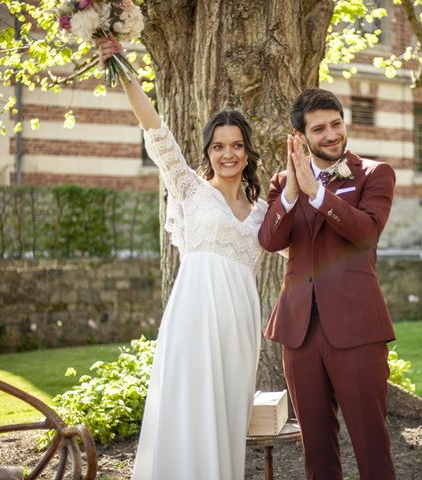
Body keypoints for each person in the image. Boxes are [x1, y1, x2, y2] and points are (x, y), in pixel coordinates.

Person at [97, 36, 268, 479]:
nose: (227, 154)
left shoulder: (264, 211)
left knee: (227, 419)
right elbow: (156, 129)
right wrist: (121, 65)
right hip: (194, 317)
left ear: (247, 151)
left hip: (241, 327)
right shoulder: (190, 188)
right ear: (208, 151)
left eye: (235, 145)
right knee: (189, 410)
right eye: (218, 146)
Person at [258, 88, 397, 479]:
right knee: (316, 450)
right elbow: (270, 241)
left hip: (357, 329)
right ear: (302, 137)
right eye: (319, 129)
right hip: (298, 332)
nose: (332, 134)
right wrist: (290, 192)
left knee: (371, 445)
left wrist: (316, 192)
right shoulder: (282, 181)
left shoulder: (374, 173)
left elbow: (367, 232)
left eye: (336, 123)